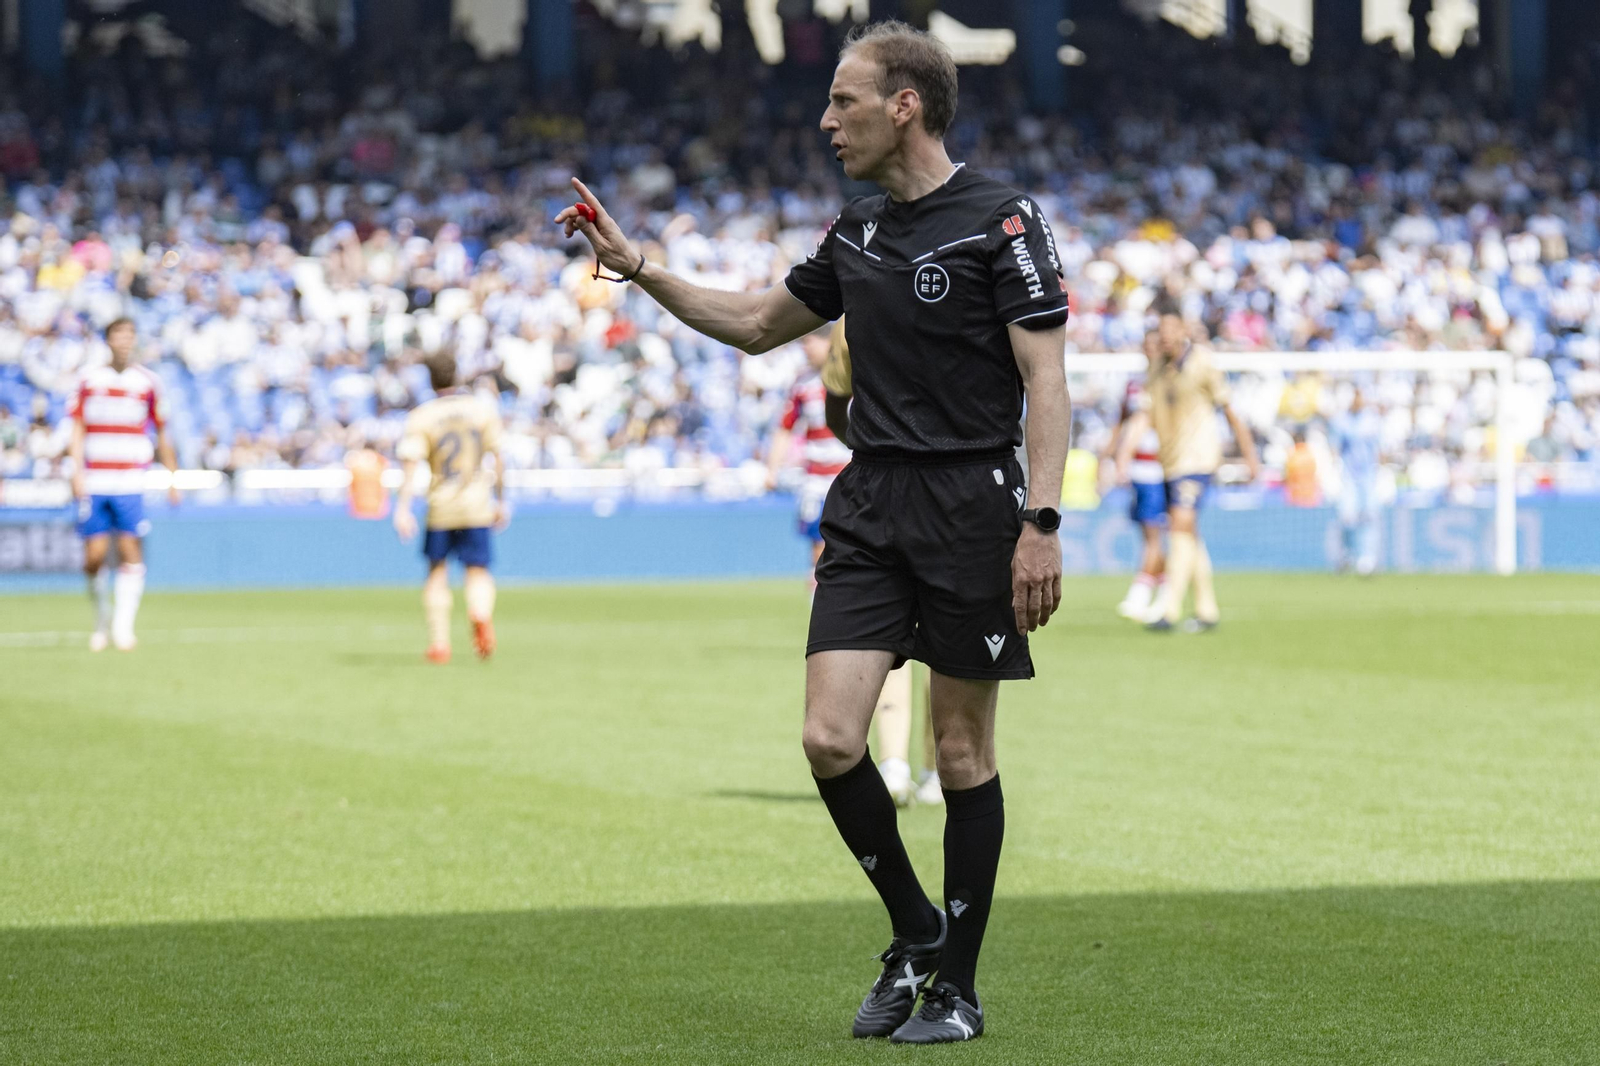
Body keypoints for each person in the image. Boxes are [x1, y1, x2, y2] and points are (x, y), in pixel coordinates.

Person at [557, 19, 1070, 1043]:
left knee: (960, 753)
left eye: (843, 100)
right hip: (871, 503)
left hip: (973, 504)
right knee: (829, 738)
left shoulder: (1001, 220)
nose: (825, 119)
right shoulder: (859, 229)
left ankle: (957, 989)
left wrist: (1040, 521)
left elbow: (1045, 381)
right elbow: (754, 325)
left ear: (903, 105)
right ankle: (914, 926)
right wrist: (640, 267)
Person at [68, 318, 179, 652]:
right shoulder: (89, 379)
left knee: (131, 550)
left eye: (130, 334)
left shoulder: (147, 382)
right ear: (108, 340)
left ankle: (122, 627)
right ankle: (101, 618)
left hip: (130, 478)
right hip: (96, 477)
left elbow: (162, 432)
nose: (125, 341)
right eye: (119, 334)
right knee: (95, 555)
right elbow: (77, 428)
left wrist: (172, 476)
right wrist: (76, 471)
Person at [1144, 309, 1259, 633]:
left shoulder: (1203, 364)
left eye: (1170, 330)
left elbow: (1230, 411)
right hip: (1170, 461)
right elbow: (1145, 414)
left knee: (1180, 527)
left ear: (1183, 331)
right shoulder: (1156, 369)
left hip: (1198, 459)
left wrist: (1249, 455)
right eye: (1161, 330)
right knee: (1188, 533)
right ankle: (1207, 610)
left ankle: (1168, 609)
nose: (1165, 336)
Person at [393, 351, 509, 663]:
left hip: (441, 505)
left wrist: (402, 509)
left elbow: (410, 464)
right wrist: (502, 500)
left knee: (436, 572)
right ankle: (480, 613)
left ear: (430, 379)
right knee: (478, 571)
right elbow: (498, 459)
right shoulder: (481, 411)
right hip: (476, 503)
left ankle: (440, 643)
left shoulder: (422, 416)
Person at [766, 323, 852, 586]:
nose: (805, 349)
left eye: (809, 342)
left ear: (829, 343)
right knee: (818, 548)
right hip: (815, 480)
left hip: (848, 474)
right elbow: (785, 428)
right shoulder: (802, 384)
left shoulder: (852, 377)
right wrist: (772, 468)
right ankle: (819, 606)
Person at [1108, 358, 1166, 620]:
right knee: (1148, 535)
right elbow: (1123, 422)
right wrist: (1111, 456)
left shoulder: (1164, 384)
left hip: (1158, 470)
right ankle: (1165, 591)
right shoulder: (1134, 384)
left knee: (1154, 536)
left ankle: (1140, 593)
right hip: (1137, 471)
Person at [1329, 388, 1383, 575]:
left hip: (1369, 476)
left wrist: (1381, 472)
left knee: (1369, 515)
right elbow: (1336, 447)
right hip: (1348, 476)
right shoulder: (1341, 421)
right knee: (1347, 516)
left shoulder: (1372, 420)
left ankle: (1368, 559)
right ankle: (1346, 555)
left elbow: (1379, 448)